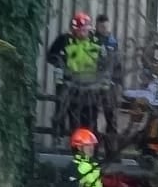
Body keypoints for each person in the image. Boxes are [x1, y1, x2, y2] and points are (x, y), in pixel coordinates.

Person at [46, 11, 112, 140]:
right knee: (74, 124)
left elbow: (105, 63)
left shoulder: (97, 41)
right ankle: (75, 153)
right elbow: (51, 56)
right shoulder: (64, 40)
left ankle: (91, 156)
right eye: (78, 30)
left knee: (91, 123)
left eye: (84, 29)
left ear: (89, 28)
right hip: (73, 86)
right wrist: (61, 64)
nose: (81, 33)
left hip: (91, 88)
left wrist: (103, 83)